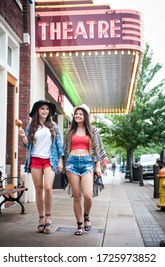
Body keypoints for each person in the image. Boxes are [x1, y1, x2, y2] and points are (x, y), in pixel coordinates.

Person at [18, 100, 64, 233]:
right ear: (37, 110)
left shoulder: (53, 126)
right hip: (35, 159)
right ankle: (41, 218)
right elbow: (28, 145)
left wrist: (61, 161)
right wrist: (23, 137)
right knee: (38, 189)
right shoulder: (31, 126)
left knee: (48, 188)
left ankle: (48, 218)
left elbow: (59, 145)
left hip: (50, 160)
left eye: (47, 109)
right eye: (42, 109)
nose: (45, 111)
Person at [64, 104, 103, 236]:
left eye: (81, 114)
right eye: (76, 113)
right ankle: (79, 224)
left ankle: (86, 216)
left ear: (85, 116)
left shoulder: (93, 131)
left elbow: (97, 149)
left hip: (87, 163)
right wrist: (62, 164)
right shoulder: (69, 132)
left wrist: (98, 166)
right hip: (72, 163)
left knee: (88, 196)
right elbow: (64, 150)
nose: (78, 115)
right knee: (76, 196)